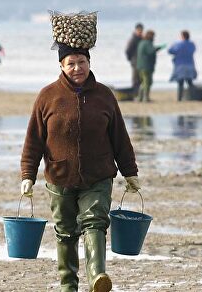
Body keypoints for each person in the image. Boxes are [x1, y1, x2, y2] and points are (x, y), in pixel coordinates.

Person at [20, 42, 141, 292]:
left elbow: (120, 137)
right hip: (59, 176)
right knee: (65, 232)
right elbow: (34, 140)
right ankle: (68, 286)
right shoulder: (47, 96)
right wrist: (27, 175)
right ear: (61, 66)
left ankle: (98, 276)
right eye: (71, 63)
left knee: (95, 223)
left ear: (89, 63)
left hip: (98, 175)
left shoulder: (104, 95)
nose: (77, 68)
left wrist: (130, 172)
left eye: (82, 62)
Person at [168, 30, 197, 101]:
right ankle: (193, 97)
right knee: (190, 82)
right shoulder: (192, 44)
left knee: (180, 82)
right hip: (190, 64)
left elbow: (170, 51)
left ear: (182, 36)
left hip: (180, 65)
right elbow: (193, 50)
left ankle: (179, 98)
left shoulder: (178, 44)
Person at [136, 30, 164, 102]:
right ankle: (145, 98)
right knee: (147, 82)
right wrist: (159, 48)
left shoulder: (142, 42)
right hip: (146, 66)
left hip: (140, 66)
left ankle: (140, 97)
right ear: (150, 36)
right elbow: (151, 51)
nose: (154, 38)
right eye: (153, 36)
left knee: (143, 82)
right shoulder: (148, 43)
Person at [124, 23, 144, 92]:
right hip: (135, 61)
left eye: (141, 30)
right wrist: (131, 59)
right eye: (139, 30)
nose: (140, 32)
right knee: (135, 78)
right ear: (136, 30)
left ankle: (138, 93)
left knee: (140, 78)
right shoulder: (133, 39)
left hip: (141, 61)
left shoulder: (142, 39)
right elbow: (128, 51)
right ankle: (134, 93)